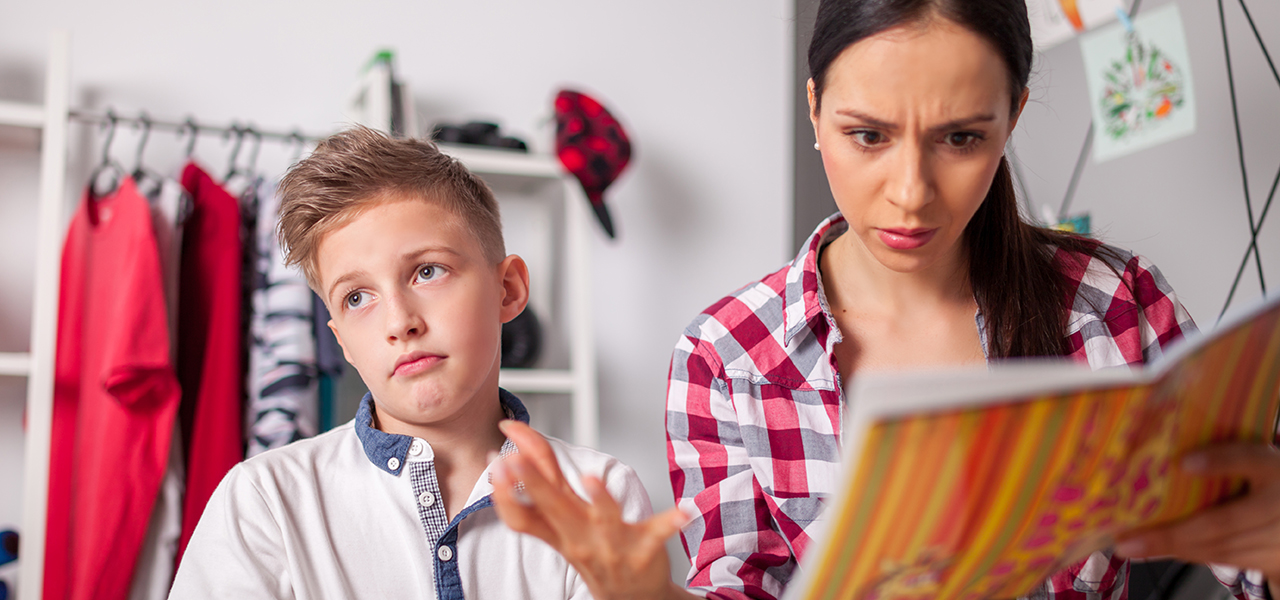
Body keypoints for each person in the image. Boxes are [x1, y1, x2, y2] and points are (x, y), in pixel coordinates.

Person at [490, 1, 1280, 599]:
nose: (911, 194)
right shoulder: (724, 356)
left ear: (1014, 119)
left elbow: (1241, 563)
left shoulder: (1114, 304)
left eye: (962, 139)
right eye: (867, 135)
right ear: (814, 111)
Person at [168, 126, 653, 599]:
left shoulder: (599, 496)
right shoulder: (266, 501)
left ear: (507, 290)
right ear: (342, 343)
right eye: (357, 297)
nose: (400, 322)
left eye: (427, 271)